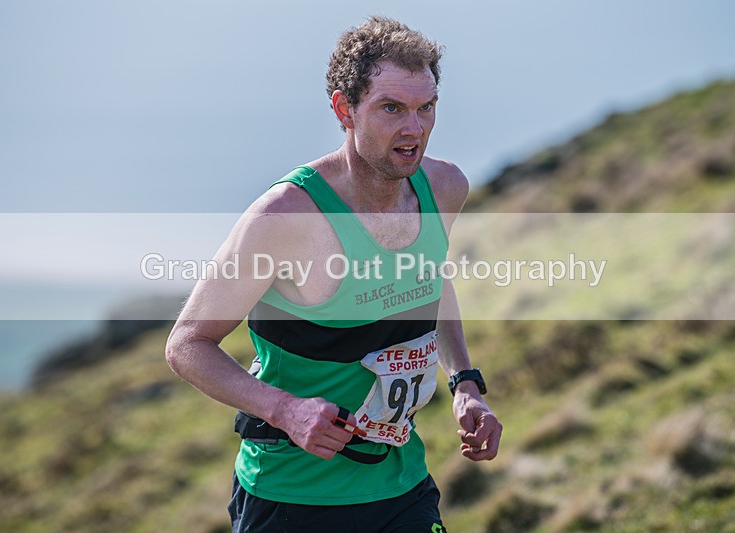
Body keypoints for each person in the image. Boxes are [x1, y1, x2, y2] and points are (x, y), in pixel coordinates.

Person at [165, 16, 502, 532]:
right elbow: (187, 345)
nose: (414, 129)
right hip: (292, 496)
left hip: (402, 487)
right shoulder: (286, 216)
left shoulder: (444, 188)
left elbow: (431, 283)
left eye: (426, 107)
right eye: (391, 108)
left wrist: (463, 382)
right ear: (345, 109)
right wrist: (285, 410)